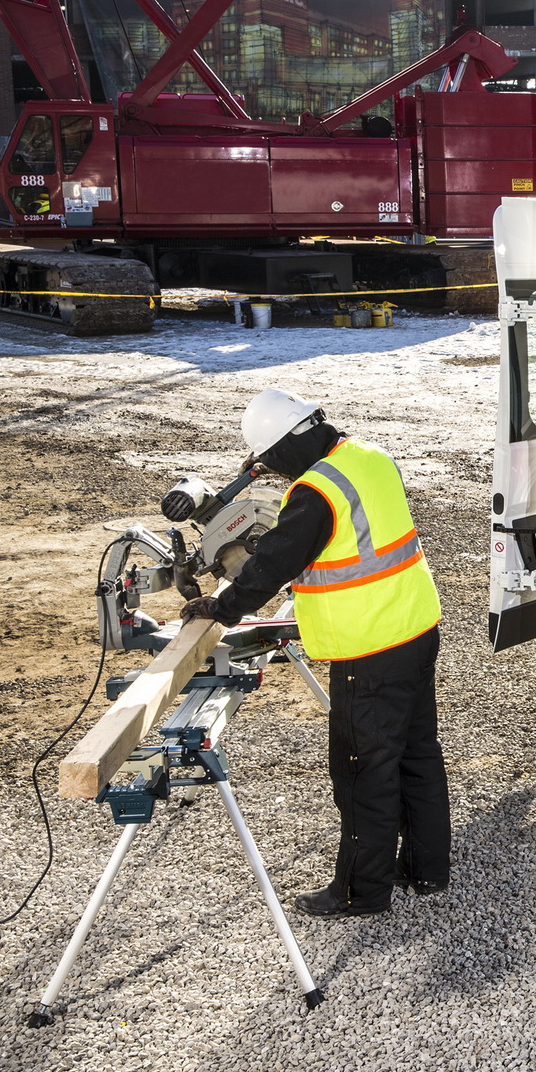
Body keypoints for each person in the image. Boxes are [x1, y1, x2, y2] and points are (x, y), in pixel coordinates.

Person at [182, 388, 449, 917]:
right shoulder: (370, 458)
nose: (272, 470)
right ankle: (425, 867)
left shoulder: (315, 492)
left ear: (283, 446)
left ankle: (360, 891)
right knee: (416, 753)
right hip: (415, 626)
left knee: (362, 770)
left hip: (369, 646)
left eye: (270, 459)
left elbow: (274, 562)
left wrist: (224, 607)